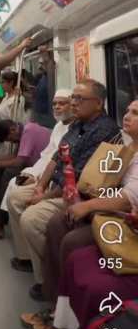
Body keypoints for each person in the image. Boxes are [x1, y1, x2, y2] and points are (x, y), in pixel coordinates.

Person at [24, 98, 138, 329]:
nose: (126, 116)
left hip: (123, 221)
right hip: (104, 209)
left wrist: (86, 206)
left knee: (72, 242)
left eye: (135, 113)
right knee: (57, 223)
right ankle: (55, 304)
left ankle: (65, 320)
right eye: (127, 110)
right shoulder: (125, 145)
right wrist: (78, 197)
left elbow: (128, 198)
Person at [13, 79, 120, 301]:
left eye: (79, 99)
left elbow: (78, 178)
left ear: (98, 104)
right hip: (56, 186)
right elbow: (54, 159)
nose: (73, 103)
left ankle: (49, 279)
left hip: (75, 193)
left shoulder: (104, 131)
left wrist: (44, 198)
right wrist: (40, 187)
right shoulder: (76, 125)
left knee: (32, 219)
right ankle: (30, 261)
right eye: (73, 98)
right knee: (15, 196)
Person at [7, 89, 74, 271]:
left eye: (62, 103)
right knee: (14, 196)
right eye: (54, 104)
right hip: (45, 176)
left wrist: (42, 188)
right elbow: (47, 157)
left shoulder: (77, 130)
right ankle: (26, 256)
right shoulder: (59, 127)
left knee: (30, 215)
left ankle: (46, 270)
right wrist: (33, 175)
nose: (57, 107)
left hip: (59, 183)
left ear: (73, 105)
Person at [0, 117, 51, 239]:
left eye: (10, 140)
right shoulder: (23, 131)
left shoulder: (29, 131)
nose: (12, 142)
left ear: (13, 130)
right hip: (33, 166)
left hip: (41, 170)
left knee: (9, 172)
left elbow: (18, 162)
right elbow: (14, 156)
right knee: (1, 168)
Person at [32, 47, 56, 128]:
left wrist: (45, 55)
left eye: (42, 63)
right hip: (39, 115)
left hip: (48, 117)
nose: (39, 67)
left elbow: (50, 65)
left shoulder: (51, 76)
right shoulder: (43, 77)